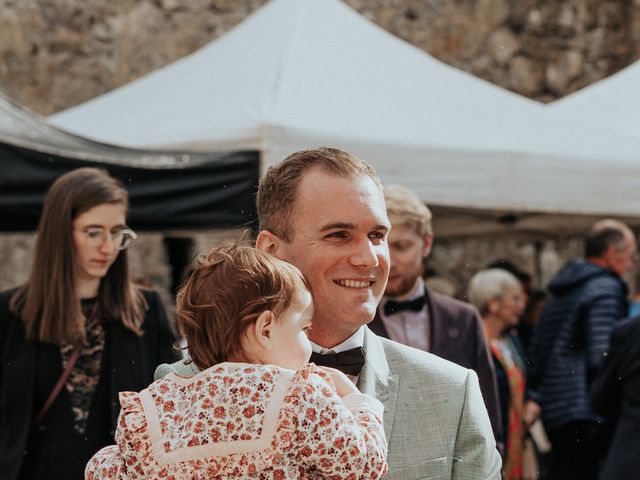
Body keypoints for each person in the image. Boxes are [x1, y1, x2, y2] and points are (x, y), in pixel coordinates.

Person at [158, 147, 502, 479]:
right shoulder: (183, 388)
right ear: (272, 250)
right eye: (339, 235)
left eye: (377, 235)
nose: (369, 258)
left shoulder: (451, 392)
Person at [87, 244, 388, 479]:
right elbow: (360, 464)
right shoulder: (300, 395)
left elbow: (104, 470)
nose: (308, 343)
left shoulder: (157, 404)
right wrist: (356, 403)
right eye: (304, 329)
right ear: (265, 329)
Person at [0, 167, 180, 480]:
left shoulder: (146, 311)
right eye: (93, 232)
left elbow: (173, 406)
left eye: (117, 233)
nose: (108, 248)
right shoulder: (9, 313)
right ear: (61, 232)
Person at [368, 183, 502, 448]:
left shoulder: (464, 318)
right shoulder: (352, 317)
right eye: (380, 244)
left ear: (427, 243)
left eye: (402, 246)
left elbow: (487, 415)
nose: (389, 259)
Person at [528, 219, 636, 480]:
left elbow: (536, 354)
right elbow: (603, 355)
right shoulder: (605, 288)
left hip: (554, 410)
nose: (631, 265)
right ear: (612, 254)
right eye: (630, 257)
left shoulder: (560, 291)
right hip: (584, 411)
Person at [468, 269, 540, 480]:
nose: (522, 305)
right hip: (491, 438)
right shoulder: (474, 342)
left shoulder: (511, 340)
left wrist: (532, 400)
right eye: (515, 298)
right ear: (493, 304)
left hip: (515, 439)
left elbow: (526, 379)